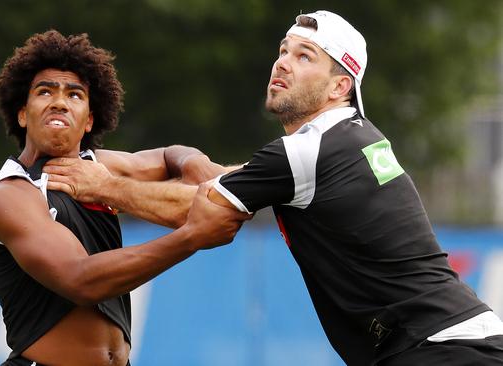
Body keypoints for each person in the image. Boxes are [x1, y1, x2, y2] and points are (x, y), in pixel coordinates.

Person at [43, 11, 503, 366]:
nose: (283, 62)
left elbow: (200, 210)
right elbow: (240, 179)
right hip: (454, 341)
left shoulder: (308, 152)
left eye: (306, 56)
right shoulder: (344, 140)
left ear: (339, 86)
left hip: (439, 349)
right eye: (284, 50)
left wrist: (106, 186)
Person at [0, 30, 249, 366]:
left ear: (89, 120)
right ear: (22, 114)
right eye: (45, 91)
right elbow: (81, 280)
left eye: (74, 95)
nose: (59, 101)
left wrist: (197, 165)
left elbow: (170, 154)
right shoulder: (9, 193)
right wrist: (190, 238)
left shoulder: (101, 166)